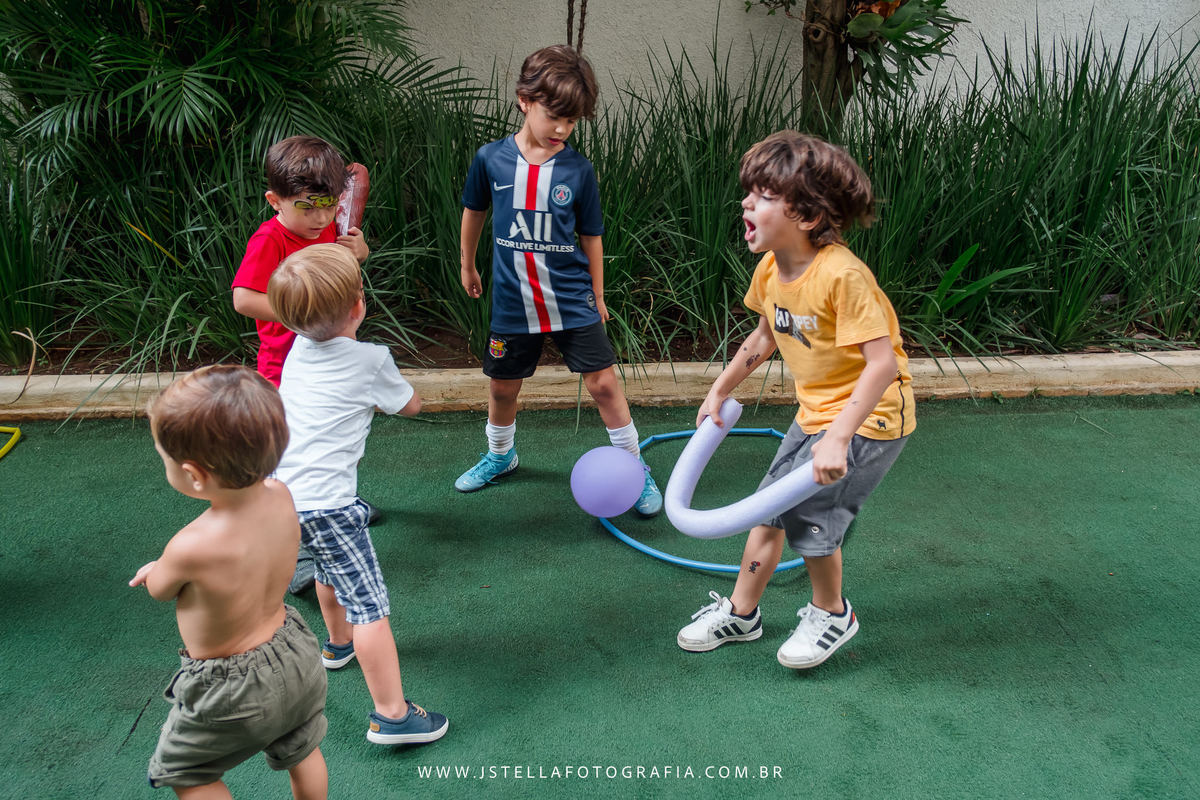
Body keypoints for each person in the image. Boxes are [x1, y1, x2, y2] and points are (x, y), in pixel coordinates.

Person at [676, 131, 915, 669]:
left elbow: (881, 365)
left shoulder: (843, 276)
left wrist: (838, 436)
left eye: (763, 195)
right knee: (768, 511)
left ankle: (833, 613)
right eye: (750, 192)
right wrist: (720, 389)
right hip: (817, 417)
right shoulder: (770, 269)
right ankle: (742, 612)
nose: (746, 202)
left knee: (809, 518)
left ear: (806, 215)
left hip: (870, 418)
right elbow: (764, 337)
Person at [455, 44, 661, 515]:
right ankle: (500, 456)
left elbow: (592, 237)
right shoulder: (490, 159)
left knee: (603, 384)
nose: (563, 129)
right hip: (511, 299)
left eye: (572, 120)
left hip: (571, 297)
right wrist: (467, 264)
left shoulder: (578, 169)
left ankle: (635, 468)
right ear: (525, 100)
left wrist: (599, 294)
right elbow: (474, 211)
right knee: (502, 387)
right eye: (555, 116)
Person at [268, 243, 449, 746]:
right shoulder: (371, 358)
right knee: (370, 604)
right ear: (358, 306)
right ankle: (393, 715)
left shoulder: (296, 350)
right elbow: (408, 406)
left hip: (281, 497)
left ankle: (337, 643)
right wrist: (409, 395)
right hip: (329, 505)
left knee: (327, 568)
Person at [131, 365, 329, 798]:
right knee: (301, 746)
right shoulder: (282, 495)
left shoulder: (191, 546)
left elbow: (162, 588)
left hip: (229, 686)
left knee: (188, 773)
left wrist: (155, 570)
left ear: (195, 474)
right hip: (294, 651)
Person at [230, 135, 375, 594]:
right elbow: (243, 299)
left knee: (331, 442)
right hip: (284, 372)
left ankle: (335, 503)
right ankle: (293, 552)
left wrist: (359, 253)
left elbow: (344, 270)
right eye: (306, 207)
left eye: (328, 205)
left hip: (330, 366)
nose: (319, 219)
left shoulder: (331, 229)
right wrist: (303, 311)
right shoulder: (271, 238)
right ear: (276, 200)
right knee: (287, 460)